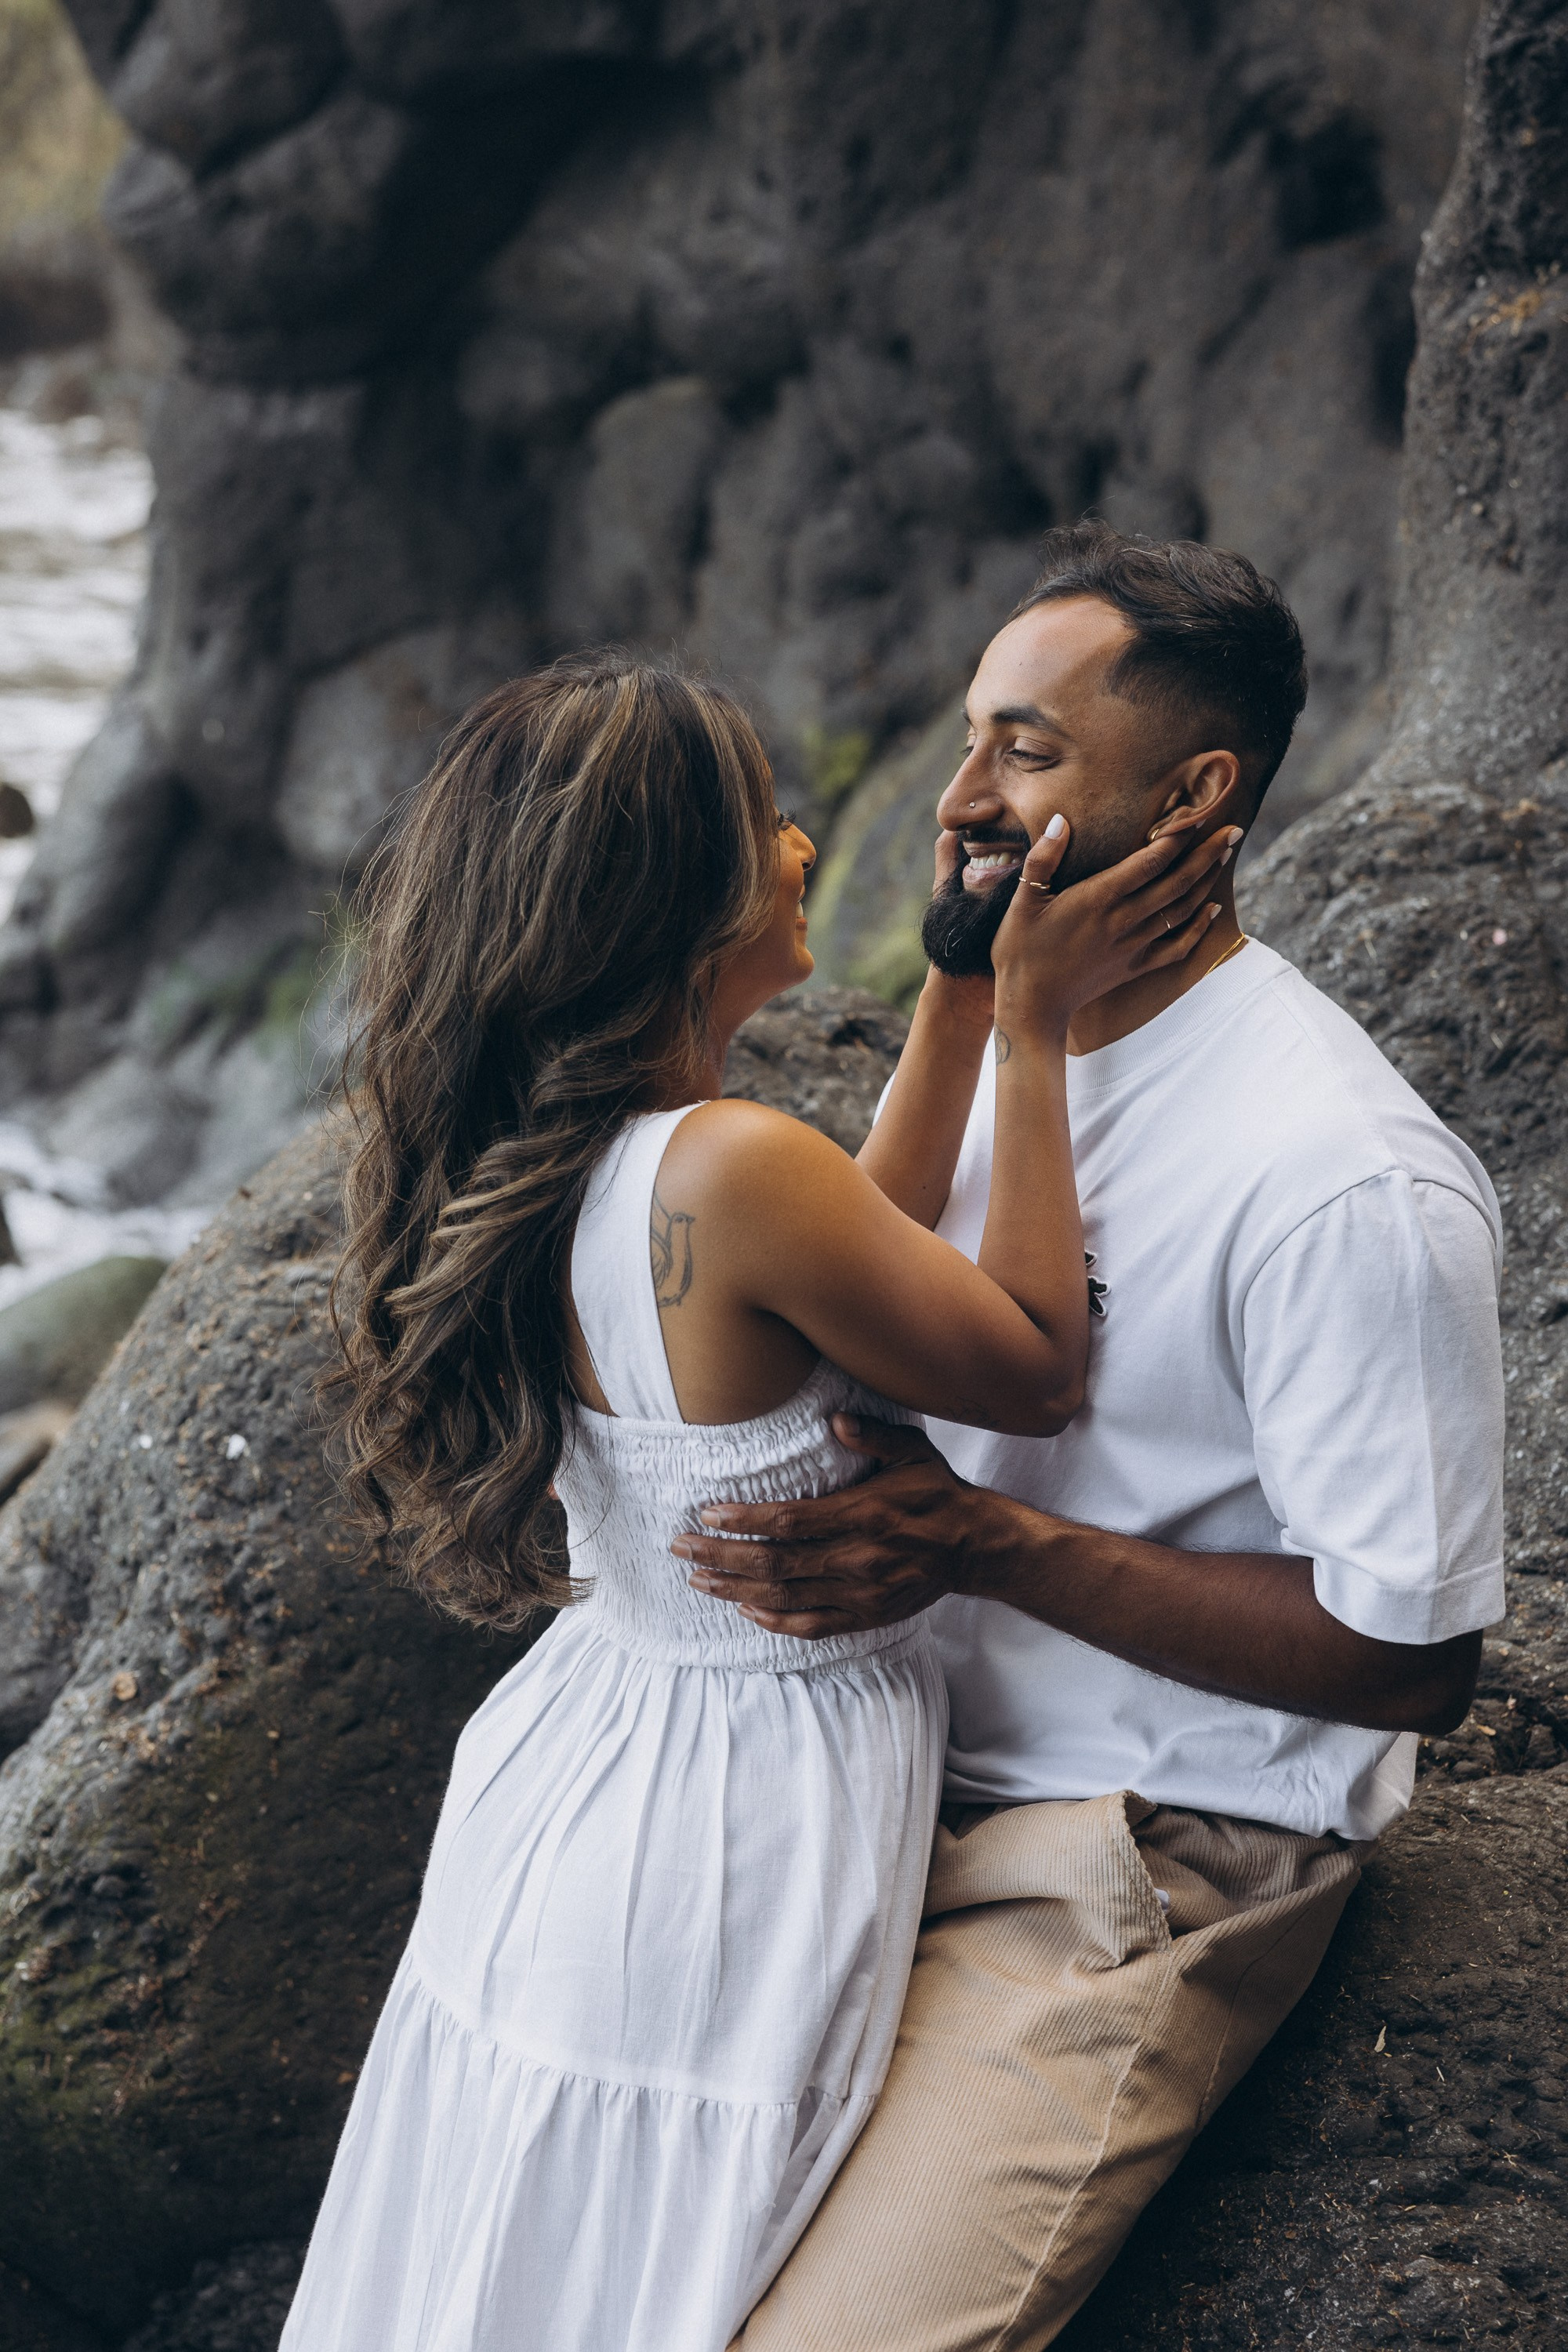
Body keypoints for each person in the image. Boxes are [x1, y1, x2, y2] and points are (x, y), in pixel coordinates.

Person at [278, 652, 1233, 2352]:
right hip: (727, 1827)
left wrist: (946, 993)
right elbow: (1025, 1363)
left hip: (583, 1780)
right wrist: (1028, 1026)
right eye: (762, 825)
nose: (803, 849)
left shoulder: (574, 1154)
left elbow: (837, 1275)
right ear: (675, 900)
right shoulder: (729, 1167)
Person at [680, 523, 1508, 2352]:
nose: (960, 793)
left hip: (1134, 1852)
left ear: (1196, 789)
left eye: (1026, 753)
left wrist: (988, 1542)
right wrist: (973, 994)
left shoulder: (1341, 1179)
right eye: (971, 738)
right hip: (870, 1786)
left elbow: (1416, 1656)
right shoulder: (1000, 1029)